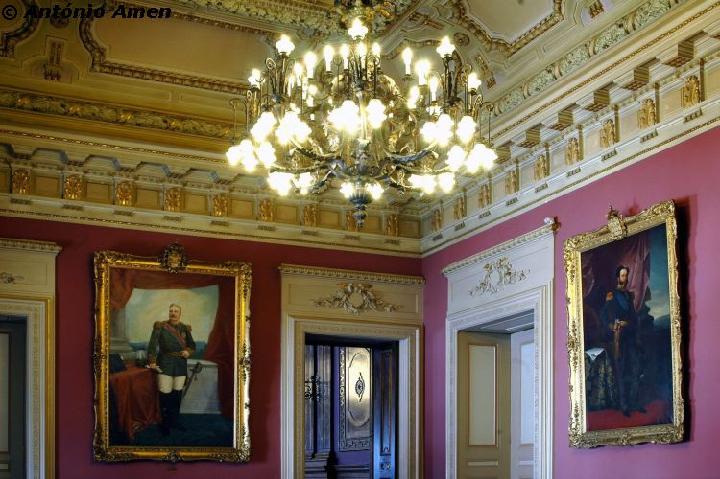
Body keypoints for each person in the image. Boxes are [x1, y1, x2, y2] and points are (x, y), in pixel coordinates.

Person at [600, 265, 645, 417]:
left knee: (635, 369)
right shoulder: (611, 295)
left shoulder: (628, 296)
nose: (625, 278)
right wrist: (611, 326)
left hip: (631, 336)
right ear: (618, 277)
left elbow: (633, 317)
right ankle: (624, 405)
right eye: (622, 275)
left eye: (626, 275)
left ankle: (634, 402)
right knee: (621, 371)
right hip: (619, 338)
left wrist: (630, 324)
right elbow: (604, 315)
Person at [147, 303, 195, 435]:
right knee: (165, 395)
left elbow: (192, 345)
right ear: (169, 313)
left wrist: (188, 352)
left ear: (180, 313)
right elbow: (152, 345)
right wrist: (152, 361)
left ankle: (175, 421)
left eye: (176, 311)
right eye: (171, 311)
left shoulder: (185, 328)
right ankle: (165, 424)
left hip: (180, 364)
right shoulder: (160, 326)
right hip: (165, 363)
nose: (173, 313)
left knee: (177, 395)